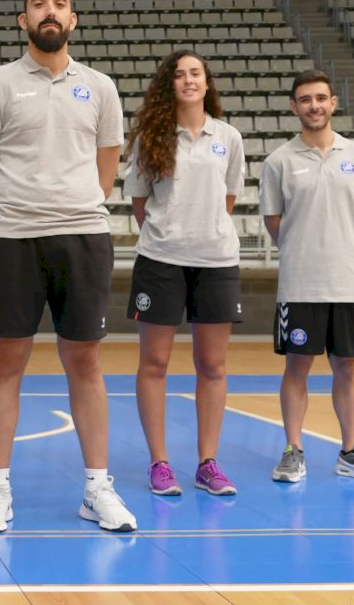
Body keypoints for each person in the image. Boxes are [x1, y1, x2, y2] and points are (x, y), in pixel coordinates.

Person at [0, 0, 136, 534]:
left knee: (85, 362)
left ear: (73, 19)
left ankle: (97, 488)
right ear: (24, 19)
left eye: (60, 3)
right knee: (6, 362)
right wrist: (9, 214)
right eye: (39, 3)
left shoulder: (101, 88)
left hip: (82, 237)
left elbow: (106, 170)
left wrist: (73, 206)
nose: (50, 11)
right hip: (12, 239)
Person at [261, 69, 354, 484]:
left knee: (346, 367)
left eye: (320, 98)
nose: (313, 105)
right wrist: (304, 249)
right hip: (300, 282)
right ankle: (293, 451)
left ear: (333, 103)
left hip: (348, 283)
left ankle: (350, 452)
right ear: (293, 107)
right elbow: (273, 221)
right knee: (297, 367)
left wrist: (339, 248)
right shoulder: (278, 161)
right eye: (305, 99)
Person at [123, 50, 245, 497]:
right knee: (154, 364)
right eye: (179, 75)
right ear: (169, 85)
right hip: (160, 261)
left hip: (216, 262)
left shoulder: (228, 137)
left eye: (196, 73)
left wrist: (201, 232)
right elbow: (140, 204)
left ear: (207, 82)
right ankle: (159, 463)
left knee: (212, 366)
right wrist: (171, 234)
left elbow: (227, 199)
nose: (189, 80)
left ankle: (208, 463)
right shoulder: (150, 138)